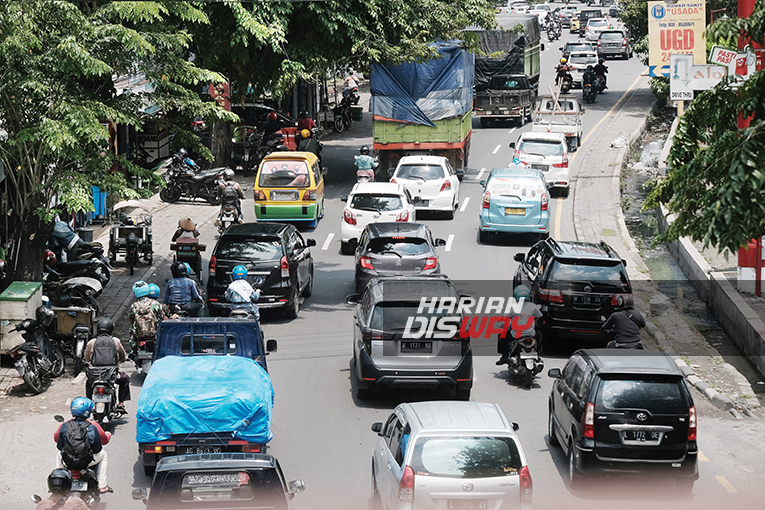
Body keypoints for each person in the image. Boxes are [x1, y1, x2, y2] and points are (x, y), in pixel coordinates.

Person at [54, 397, 112, 495]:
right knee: (103, 455)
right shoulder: (92, 427)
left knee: (58, 454)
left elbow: (60, 446)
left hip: (68, 460)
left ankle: (59, 480)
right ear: (87, 412)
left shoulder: (65, 425)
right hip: (86, 461)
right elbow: (97, 448)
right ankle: (102, 485)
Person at [84, 318, 130, 413]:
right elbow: (123, 357)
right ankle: (121, 403)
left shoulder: (92, 342)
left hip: (95, 376)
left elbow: (87, 358)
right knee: (125, 378)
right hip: (112, 376)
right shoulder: (116, 341)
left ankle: (89, 404)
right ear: (111, 329)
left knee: (88, 384)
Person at [496, 286, 543, 365]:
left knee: (501, 336)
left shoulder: (513, 307)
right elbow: (540, 315)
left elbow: (505, 317)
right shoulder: (532, 306)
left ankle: (504, 357)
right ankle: (538, 355)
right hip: (531, 334)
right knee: (540, 336)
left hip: (516, 334)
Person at [128, 281, 168, 360]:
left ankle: (134, 351)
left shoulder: (134, 306)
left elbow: (131, 320)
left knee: (131, 329)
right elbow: (163, 318)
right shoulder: (155, 304)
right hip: (155, 335)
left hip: (139, 336)